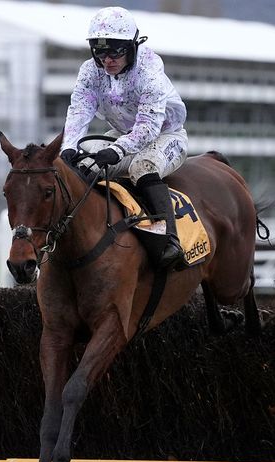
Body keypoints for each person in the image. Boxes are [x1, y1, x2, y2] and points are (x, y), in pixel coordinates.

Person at [59, 6, 188, 269]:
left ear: (133, 46)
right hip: (122, 133)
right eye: (100, 51)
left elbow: (149, 126)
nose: (108, 59)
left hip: (164, 134)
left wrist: (118, 151)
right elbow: (79, 111)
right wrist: (68, 147)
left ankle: (170, 240)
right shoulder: (89, 71)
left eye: (116, 50)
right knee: (82, 165)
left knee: (142, 167)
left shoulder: (150, 69)